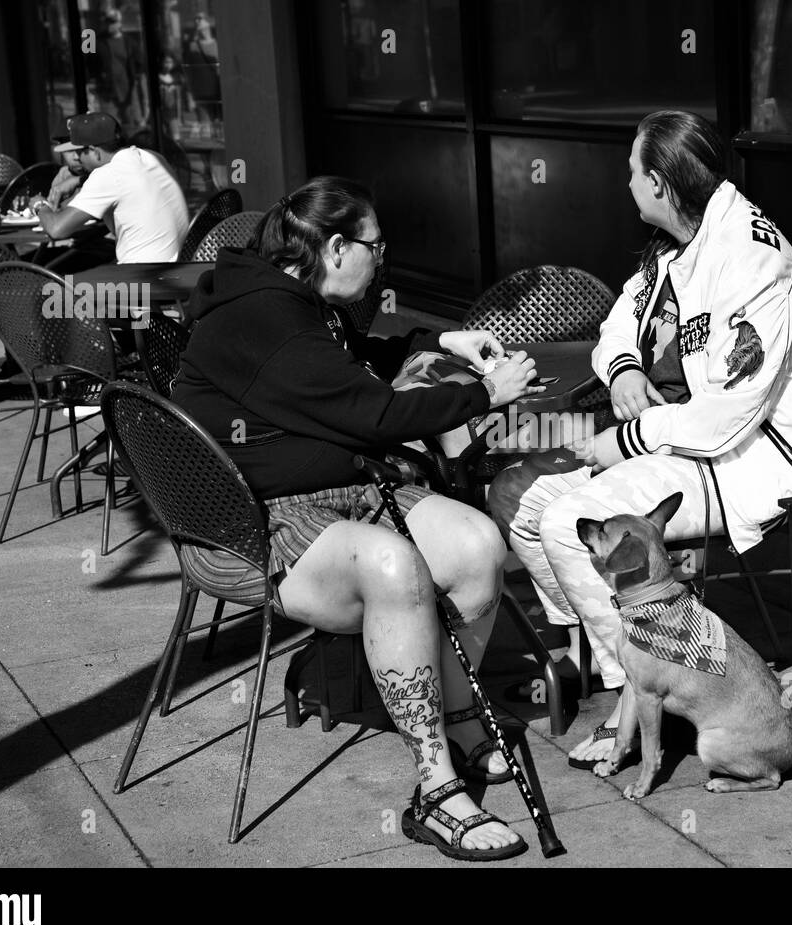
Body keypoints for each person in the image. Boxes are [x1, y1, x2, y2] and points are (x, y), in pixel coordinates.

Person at [169, 176, 545, 860]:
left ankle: (459, 721)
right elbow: (372, 413)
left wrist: (438, 341)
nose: (383, 261)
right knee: (395, 565)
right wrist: (487, 393)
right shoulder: (263, 320)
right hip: (258, 524)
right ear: (337, 247)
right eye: (378, 248)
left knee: (477, 544)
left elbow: (347, 357)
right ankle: (437, 791)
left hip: (345, 487)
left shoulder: (297, 296)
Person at [487, 110, 792, 769]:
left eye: (630, 172)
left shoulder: (753, 260)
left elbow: (727, 419)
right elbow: (621, 319)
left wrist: (630, 438)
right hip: (685, 438)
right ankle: (629, 664)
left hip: (747, 457)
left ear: (659, 185)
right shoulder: (680, 237)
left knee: (567, 523)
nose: (624, 183)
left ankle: (631, 696)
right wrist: (623, 370)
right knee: (529, 513)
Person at [29, 112, 188, 264]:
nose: (77, 158)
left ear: (94, 151)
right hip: (179, 267)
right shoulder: (152, 157)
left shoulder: (108, 175)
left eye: (79, 152)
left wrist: (40, 205)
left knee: (54, 287)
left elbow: (57, 229)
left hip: (139, 281)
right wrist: (79, 180)